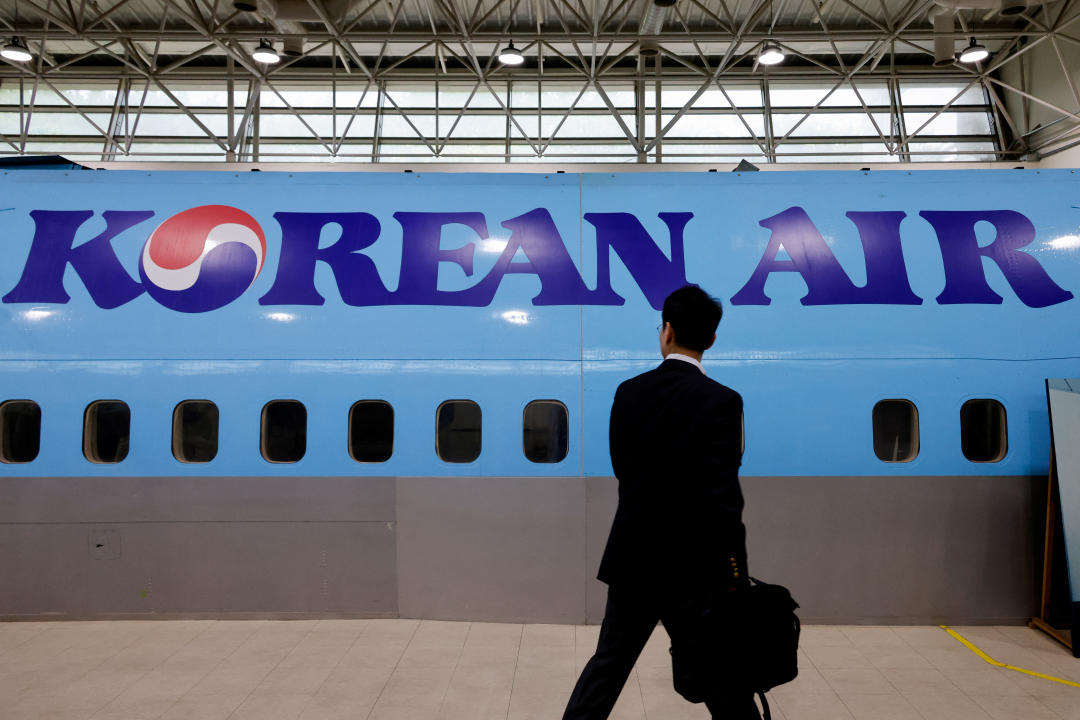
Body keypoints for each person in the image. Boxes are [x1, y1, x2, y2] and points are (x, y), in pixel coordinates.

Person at [562, 284, 758, 720]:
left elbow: (623, 470)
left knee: (608, 666)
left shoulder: (629, 392)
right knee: (720, 679)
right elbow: (725, 499)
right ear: (710, 339)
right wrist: (735, 574)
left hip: (634, 560)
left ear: (666, 332)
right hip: (696, 569)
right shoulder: (723, 402)